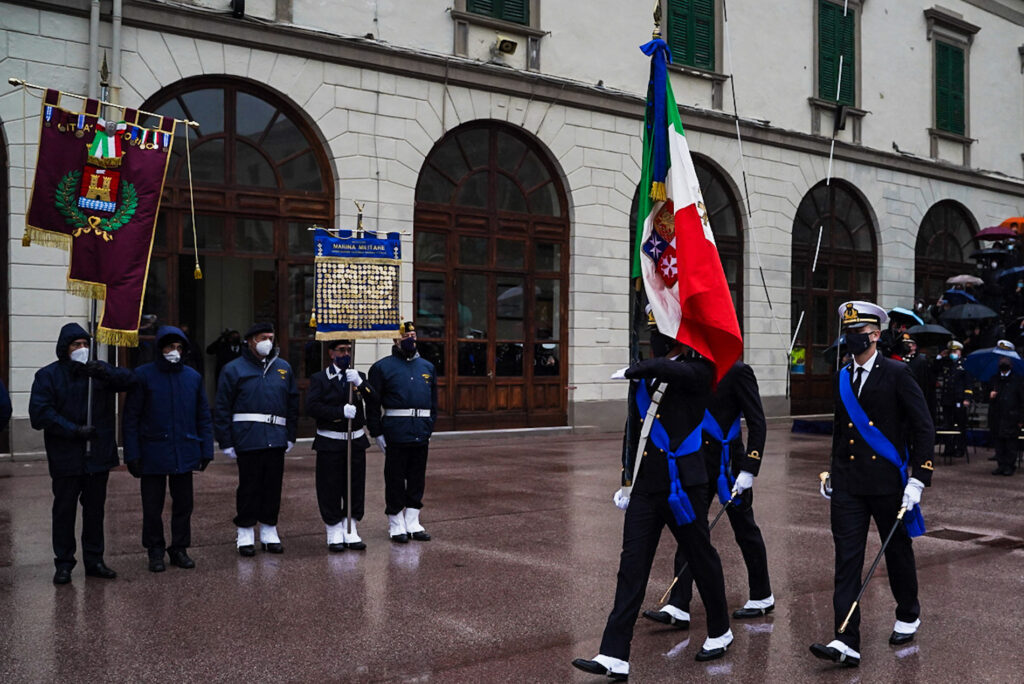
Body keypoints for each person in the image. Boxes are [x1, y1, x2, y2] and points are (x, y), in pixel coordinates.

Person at [572, 318, 732, 680]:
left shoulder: (699, 369)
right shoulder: (646, 375)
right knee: (631, 565)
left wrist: (638, 367)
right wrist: (626, 479)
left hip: (683, 486)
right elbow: (633, 431)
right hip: (646, 485)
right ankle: (614, 654)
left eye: (658, 332)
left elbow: (673, 371)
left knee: (700, 558)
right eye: (650, 332)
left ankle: (720, 629)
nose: (653, 339)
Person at [810, 301, 934, 668]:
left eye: (858, 332)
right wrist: (832, 473)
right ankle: (845, 639)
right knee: (847, 560)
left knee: (896, 552)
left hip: (886, 483)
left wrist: (919, 478)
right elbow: (840, 431)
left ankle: (908, 612)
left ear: (876, 335)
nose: (852, 338)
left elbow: (923, 426)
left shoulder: (897, 373)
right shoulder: (842, 377)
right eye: (848, 332)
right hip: (849, 484)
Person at [643, 359, 773, 630]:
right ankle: (679, 604)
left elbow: (757, 421)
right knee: (691, 530)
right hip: (696, 463)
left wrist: (750, 467)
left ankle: (762, 594)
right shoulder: (691, 370)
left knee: (745, 530)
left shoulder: (737, 371)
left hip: (729, 464)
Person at [28, 322, 136, 584]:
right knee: (64, 512)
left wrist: (105, 371)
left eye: (86, 344)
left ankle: (94, 560)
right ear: (64, 348)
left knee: (95, 512)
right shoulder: (48, 376)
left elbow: (130, 381)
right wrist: (74, 430)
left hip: (97, 456)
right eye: (76, 344)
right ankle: (64, 563)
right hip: (66, 456)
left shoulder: (97, 373)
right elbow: (40, 414)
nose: (82, 348)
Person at [123, 325, 215, 572]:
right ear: (160, 349)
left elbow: (203, 416)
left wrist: (207, 449)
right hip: (152, 451)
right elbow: (131, 417)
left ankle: (179, 548)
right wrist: (132, 454)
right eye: (170, 347)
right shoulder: (143, 375)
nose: (175, 351)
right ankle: (155, 550)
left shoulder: (192, 377)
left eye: (179, 347)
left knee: (184, 504)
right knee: (152, 507)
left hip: (184, 449)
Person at [214, 322, 299, 556]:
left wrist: (290, 435)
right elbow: (222, 406)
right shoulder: (234, 369)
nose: (267, 342)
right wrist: (226, 440)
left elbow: (292, 403)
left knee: (272, 486)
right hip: (248, 437)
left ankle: (269, 530)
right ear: (250, 341)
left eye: (271, 338)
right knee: (249, 486)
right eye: (263, 338)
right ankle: (245, 531)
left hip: (276, 438)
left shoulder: (283, 368)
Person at [366, 322, 438, 543]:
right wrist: (376, 432)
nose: (411, 339)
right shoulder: (382, 368)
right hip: (395, 432)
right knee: (395, 478)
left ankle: (413, 521)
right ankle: (396, 522)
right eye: (406, 336)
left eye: (413, 335)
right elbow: (372, 403)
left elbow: (433, 402)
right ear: (395, 339)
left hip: (420, 431)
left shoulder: (427, 367)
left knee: (417, 477)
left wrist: (429, 426)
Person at [306, 339, 378, 551]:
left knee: (354, 486)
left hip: (354, 441)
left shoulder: (357, 376)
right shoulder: (320, 378)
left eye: (349, 350)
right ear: (331, 353)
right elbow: (312, 407)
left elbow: (374, 400)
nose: (346, 354)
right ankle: (333, 529)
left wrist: (360, 383)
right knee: (330, 486)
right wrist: (339, 412)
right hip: (330, 442)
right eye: (341, 350)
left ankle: (351, 526)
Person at [986, 340, 1023, 476]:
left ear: (1011, 362)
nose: (1003, 361)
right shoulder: (994, 379)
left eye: (1006, 359)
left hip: (1012, 416)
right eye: (1001, 358)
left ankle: (1009, 466)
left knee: (1010, 443)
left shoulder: (1018, 380)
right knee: (999, 442)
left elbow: (1022, 400)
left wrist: (1021, 419)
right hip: (997, 416)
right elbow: (985, 397)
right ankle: (1001, 465)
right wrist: (990, 395)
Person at [935, 340, 972, 459]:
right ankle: (949, 448)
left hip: (959, 399)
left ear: (960, 352)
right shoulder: (947, 363)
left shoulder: (964, 364)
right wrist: (940, 357)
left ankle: (960, 448)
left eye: (955, 351)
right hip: (947, 399)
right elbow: (935, 369)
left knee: (960, 425)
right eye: (951, 351)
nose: (953, 354)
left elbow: (968, 383)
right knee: (947, 425)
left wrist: (967, 398)